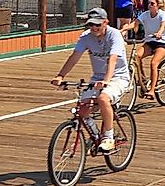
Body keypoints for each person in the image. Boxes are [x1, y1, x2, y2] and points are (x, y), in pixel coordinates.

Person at [51, 8, 130, 152]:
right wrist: (60, 76)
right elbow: (74, 57)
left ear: (106, 22)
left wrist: (106, 80)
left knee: (103, 98)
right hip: (97, 77)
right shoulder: (86, 37)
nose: (94, 28)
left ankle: (108, 137)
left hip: (118, 76)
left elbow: (112, 59)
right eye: (91, 24)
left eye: (97, 25)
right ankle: (95, 135)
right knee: (82, 110)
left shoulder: (115, 35)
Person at [124, 0, 165, 99]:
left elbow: (163, 25)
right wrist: (122, 30)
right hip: (150, 41)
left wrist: (159, 32)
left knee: (154, 63)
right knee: (136, 56)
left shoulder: (162, 14)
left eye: (152, 3)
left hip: (162, 42)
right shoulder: (145, 14)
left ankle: (152, 90)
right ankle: (143, 81)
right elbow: (135, 23)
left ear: (158, 5)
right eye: (148, 3)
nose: (149, 5)